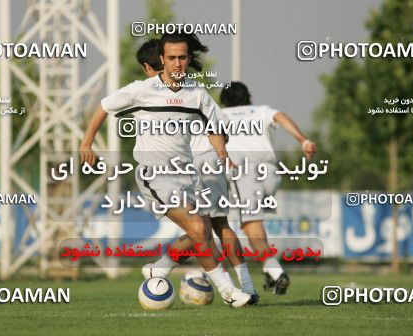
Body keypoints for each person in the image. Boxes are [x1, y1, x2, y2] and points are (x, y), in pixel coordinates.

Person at [79, 33, 251, 307]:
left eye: (182, 57)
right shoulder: (141, 90)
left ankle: (160, 269)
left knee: (202, 234)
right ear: (162, 59)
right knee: (197, 228)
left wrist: (221, 150)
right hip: (154, 176)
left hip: (188, 176)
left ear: (189, 58)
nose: (177, 63)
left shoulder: (197, 95)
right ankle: (229, 292)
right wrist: (86, 143)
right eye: (171, 58)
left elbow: (215, 127)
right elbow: (103, 107)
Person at [136, 39, 259, 304]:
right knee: (205, 228)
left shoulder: (185, 92)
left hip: (198, 162)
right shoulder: (157, 93)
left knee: (207, 227)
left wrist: (216, 148)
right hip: (194, 166)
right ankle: (238, 288)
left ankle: (238, 288)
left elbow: (217, 130)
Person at [219, 81, 317, 295]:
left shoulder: (220, 114)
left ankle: (276, 271)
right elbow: (280, 116)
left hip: (244, 172)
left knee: (250, 227)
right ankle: (268, 270)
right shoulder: (260, 110)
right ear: (248, 97)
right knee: (250, 225)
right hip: (271, 173)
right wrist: (303, 140)